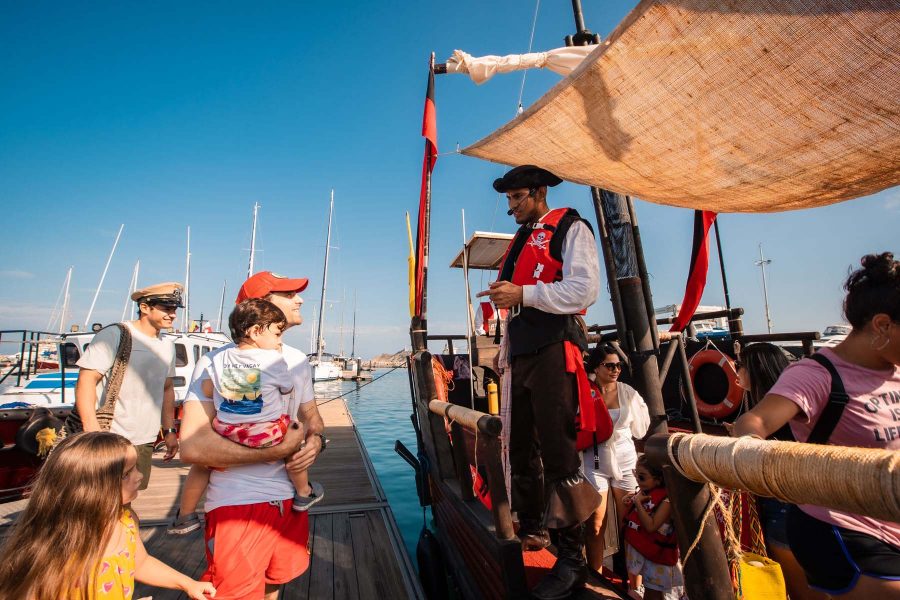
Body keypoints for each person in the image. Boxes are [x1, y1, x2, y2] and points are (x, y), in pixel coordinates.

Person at [734, 252, 900, 599]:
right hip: (843, 528)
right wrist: (764, 462)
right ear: (882, 325)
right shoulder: (817, 375)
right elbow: (755, 422)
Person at [477, 165, 601, 599]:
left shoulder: (570, 226)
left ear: (539, 192)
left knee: (559, 450)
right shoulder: (522, 239)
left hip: (554, 350)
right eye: (508, 200)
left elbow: (583, 291)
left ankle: (572, 562)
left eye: (517, 199)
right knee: (523, 444)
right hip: (524, 353)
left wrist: (523, 294)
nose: (510, 207)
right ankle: (533, 529)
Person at [178, 271, 325, 600]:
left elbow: (312, 418)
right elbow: (191, 446)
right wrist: (275, 451)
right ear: (258, 310)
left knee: (275, 580)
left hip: (289, 502)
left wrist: (315, 441)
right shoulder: (214, 362)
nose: (299, 300)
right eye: (288, 295)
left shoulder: (298, 360)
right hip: (238, 504)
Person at [0, 432, 216, 599]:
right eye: (127, 473)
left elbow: (139, 563)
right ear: (89, 487)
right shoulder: (54, 554)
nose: (139, 476)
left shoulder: (125, 521)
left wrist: (187, 584)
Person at [172, 299, 325, 533]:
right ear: (256, 331)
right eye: (276, 334)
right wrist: (285, 446)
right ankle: (304, 493)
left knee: (204, 464)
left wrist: (231, 388)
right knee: (293, 434)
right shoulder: (274, 359)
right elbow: (286, 388)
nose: (279, 341)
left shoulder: (218, 358)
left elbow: (206, 389)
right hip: (264, 436)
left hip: (225, 430)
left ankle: (185, 515)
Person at [732, 343, 823, 600]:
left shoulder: (768, 414)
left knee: (800, 589)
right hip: (803, 504)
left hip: (784, 506)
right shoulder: (791, 409)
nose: (736, 370)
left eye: (740, 365)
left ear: (755, 369)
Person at [74, 282, 183, 489]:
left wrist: (169, 431)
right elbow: (87, 379)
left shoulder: (167, 345)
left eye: (174, 309)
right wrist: (91, 429)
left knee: (129, 494)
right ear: (144, 308)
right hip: (110, 436)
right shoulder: (115, 335)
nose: (173, 315)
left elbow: (166, 388)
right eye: (167, 309)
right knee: (99, 494)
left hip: (144, 438)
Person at [581, 344, 650, 573]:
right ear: (597, 367)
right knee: (595, 524)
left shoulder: (627, 392)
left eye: (618, 365)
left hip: (625, 459)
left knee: (629, 521)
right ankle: (596, 576)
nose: (615, 369)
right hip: (595, 459)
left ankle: (635, 583)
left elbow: (640, 430)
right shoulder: (584, 391)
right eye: (610, 365)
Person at [622, 454, 684, 600]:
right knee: (650, 591)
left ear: (658, 480)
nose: (637, 480)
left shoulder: (667, 501)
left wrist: (637, 503)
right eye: (635, 475)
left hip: (658, 558)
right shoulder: (646, 491)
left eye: (642, 477)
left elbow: (651, 526)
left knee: (654, 594)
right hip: (645, 553)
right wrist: (632, 497)